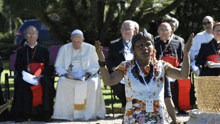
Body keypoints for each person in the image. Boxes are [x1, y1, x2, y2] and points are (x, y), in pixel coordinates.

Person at [95, 30, 193, 123]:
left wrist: (186, 53)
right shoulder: (126, 66)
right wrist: (102, 63)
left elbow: (183, 75)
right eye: (140, 45)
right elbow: (108, 81)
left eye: (148, 44)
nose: (145, 48)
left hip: (158, 118)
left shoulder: (162, 66)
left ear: (153, 48)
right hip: (133, 118)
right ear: (134, 50)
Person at [53, 29, 105, 121]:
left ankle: (85, 114)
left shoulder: (90, 48)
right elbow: (58, 65)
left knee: (92, 82)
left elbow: (95, 66)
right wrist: (66, 75)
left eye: (78, 42)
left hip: (86, 76)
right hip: (69, 76)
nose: (76, 44)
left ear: (83, 39)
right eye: (74, 42)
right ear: (70, 39)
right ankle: (66, 114)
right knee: (62, 82)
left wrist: (87, 75)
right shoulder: (64, 49)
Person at [10, 26, 55, 122]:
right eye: (28, 35)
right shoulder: (21, 51)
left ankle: (45, 114)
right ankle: (23, 114)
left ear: (37, 36)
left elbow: (49, 65)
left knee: (46, 83)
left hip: (41, 76)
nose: (31, 37)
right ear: (25, 36)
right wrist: (27, 75)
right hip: (26, 76)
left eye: (33, 34)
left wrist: (41, 75)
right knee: (21, 83)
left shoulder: (44, 50)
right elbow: (18, 66)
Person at [155, 22, 190, 115]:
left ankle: (182, 107)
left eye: (166, 30)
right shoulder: (154, 42)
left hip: (175, 70)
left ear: (171, 32)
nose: (163, 32)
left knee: (184, 81)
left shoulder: (178, 42)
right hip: (159, 71)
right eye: (161, 30)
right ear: (158, 31)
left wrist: (179, 68)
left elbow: (183, 58)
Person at [106, 20, 136, 108]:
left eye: (128, 29)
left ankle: (134, 106)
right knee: (117, 83)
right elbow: (109, 61)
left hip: (136, 72)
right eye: (124, 29)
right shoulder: (114, 44)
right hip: (120, 73)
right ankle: (125, 104)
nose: (126, 31)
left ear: (133, 31)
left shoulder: (138, 44)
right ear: (121, 30)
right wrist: (114, 68)